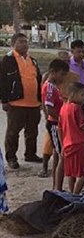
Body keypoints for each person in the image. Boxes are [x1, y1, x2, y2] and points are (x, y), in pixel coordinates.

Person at [0, 33, 42, 169]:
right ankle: (11, 157)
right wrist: (4, 100)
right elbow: (2, 82)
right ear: (14, 44)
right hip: (16, 103)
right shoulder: (7, 60)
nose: (24, 44)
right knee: (13, 132)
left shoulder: (33, 60)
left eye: (26, 41)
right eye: (21, 42)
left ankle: (30, 154)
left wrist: (40, 99)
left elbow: (39, 78)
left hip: (34, 103)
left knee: (32, 131)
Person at [41, 59, 69, 190]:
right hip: (55, 123)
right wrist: (63, 119)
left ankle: (56, 186)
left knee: (59, 154)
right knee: (60, 156)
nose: (63, 77)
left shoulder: (53, 86)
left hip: (56, 122)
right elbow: (50, 109)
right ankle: (57, 188)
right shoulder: (50, 87)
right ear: (53, 72)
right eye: (62, 74)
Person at [58, 82, 84, 194]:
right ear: (74, 94)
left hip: (67, 145)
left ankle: (72, 193)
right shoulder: (77, 108)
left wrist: (62, 145)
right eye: (82, 95)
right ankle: (76, 195)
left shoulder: (63, 108)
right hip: (78, 144)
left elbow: (59, 128)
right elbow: (83, 126)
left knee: (71, 173)